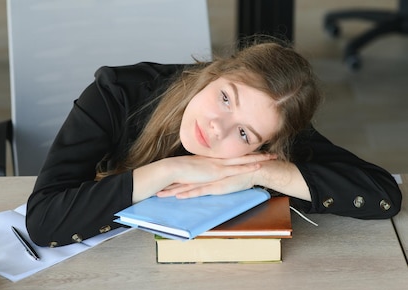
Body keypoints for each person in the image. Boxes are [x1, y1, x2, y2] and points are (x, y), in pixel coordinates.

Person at [25, 40, 402, 247]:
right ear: (214, 73)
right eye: (225, 98)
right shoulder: (116, 93)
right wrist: (168, 170)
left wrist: (265, 171)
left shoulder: (271, 128)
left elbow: (383, 195)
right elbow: (44, 223)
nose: (217, 129)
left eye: (244, 135)